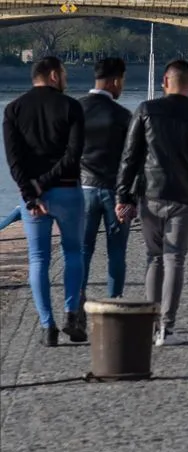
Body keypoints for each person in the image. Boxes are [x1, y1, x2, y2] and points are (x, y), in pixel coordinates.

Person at [116, 60, 188, 346]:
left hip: (150, 195)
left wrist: (122, 195)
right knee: (175, 258)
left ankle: (150, 326)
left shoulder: (146, 111)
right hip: (185, 197)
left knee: (154, 257)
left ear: (165, 81)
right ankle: (167, 327)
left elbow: (130, 157)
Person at [3, 56, 86, 346]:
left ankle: (46, 326)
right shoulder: (71, 107)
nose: (66, 79)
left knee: (38, 259)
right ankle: (71, 315)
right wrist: (47, 181)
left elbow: (14, 161)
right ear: (53, 75)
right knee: (74, 252)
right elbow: (73, 155)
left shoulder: (13, 110)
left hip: (33, 199)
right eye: (63, 74)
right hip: (68, 192)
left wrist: (31, 192)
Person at [79, 57, 133, 302]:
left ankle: (76, 303)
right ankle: (115, 303)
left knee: (82, 250)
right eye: (121, 82)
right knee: (117, 252)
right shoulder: (122, 115)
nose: (122, 87)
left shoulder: (76, 109)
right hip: (116, 192)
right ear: (114, 81)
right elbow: (133, 160)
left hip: (84, 189)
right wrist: (130, 197)